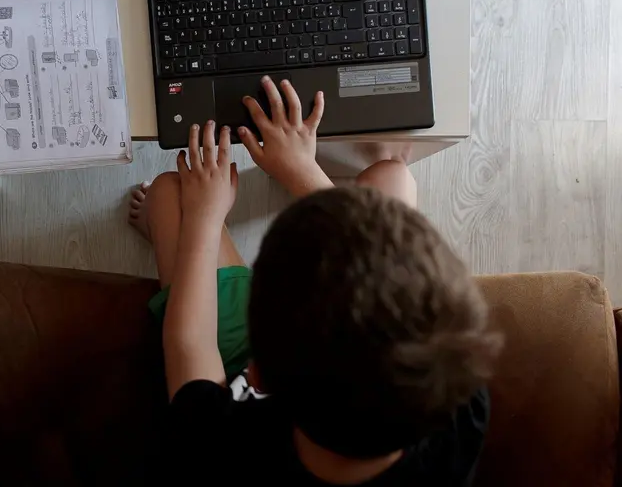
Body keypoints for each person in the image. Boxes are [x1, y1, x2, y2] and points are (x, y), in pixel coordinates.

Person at [128, 76, 502, 485]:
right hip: (306, 365)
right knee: (392, 176)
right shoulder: (457, 405)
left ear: (256, 375)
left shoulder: (220, 445)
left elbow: (190, 343)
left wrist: (204, 216)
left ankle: (162, 229)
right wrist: (301, 169)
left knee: (169, 194)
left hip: (243, 368)